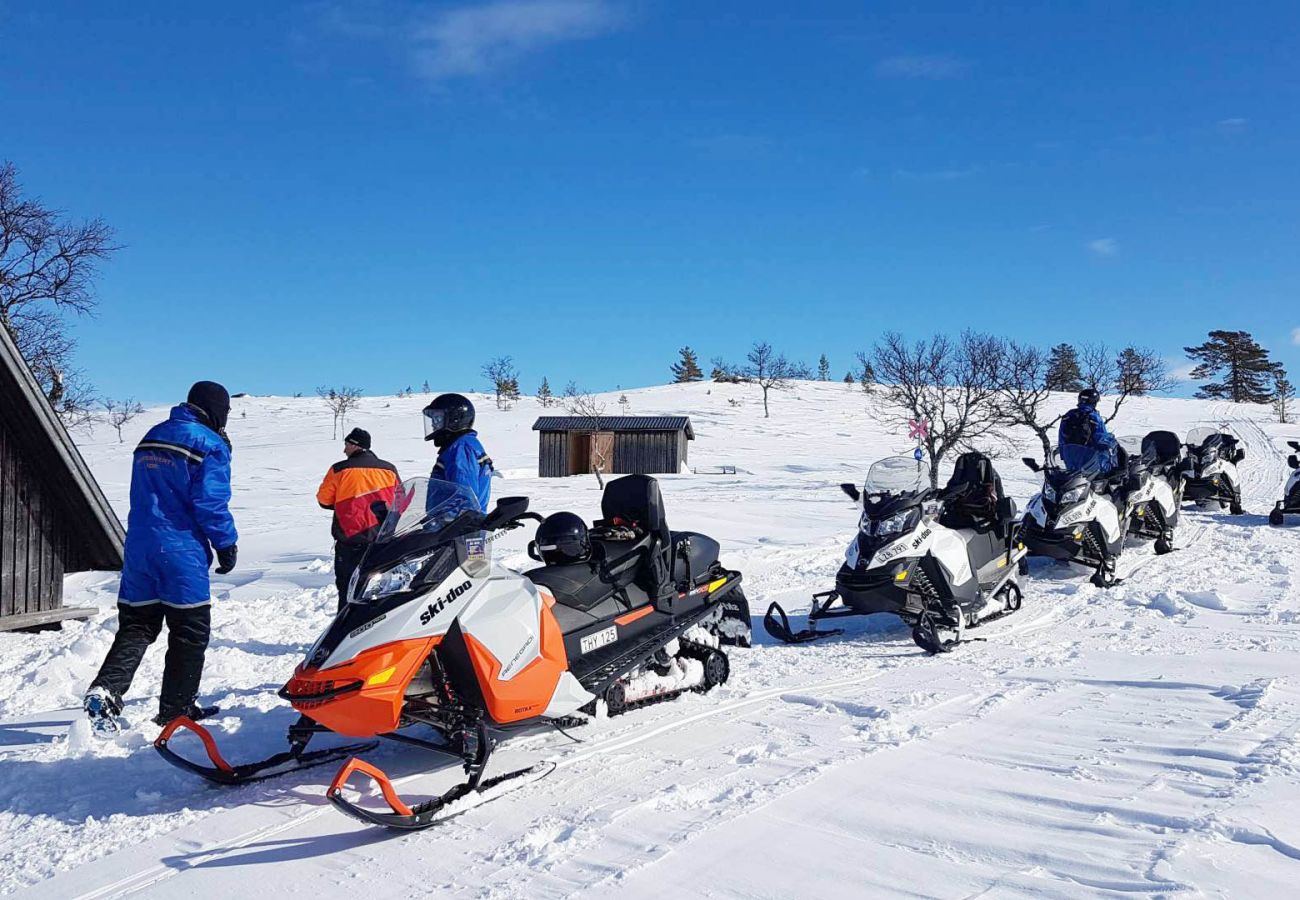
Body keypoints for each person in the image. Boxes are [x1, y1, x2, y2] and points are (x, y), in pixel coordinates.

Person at [83, 381, 238, 732]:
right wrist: (226, 544)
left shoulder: (152, 435)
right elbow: (210, 502)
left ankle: (106, 690)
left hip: (139, 547)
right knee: (189, 632)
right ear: (215, 410)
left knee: (138, 624)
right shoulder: (209, 444)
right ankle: (176, 711)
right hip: (180, 550)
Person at [316, 427, 400, 609]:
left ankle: (344, 630)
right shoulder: (389, 469)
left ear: (355, 445)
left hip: (350, 540)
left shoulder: (339, 469)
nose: (344, 449)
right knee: (380, 590)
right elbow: (400, 501)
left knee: (347, 589)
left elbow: (323, 500)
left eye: (346, 444)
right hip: (382, 539)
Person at [423, 393, 494, 512]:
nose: (434, 424)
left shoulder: (461, 448)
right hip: (447, 525)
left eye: (438, 418)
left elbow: (464, 494)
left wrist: (455, 521)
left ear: (454, 419)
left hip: (455, 526)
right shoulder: (462, 444)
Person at [1058, 388, 1119, 473]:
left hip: (1070, 459)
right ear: (1094, 402)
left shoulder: (1068, 415)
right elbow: (1100, 438)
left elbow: (1061, 438)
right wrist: (1112, 441)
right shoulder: (1094, 417)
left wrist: (1064, 455)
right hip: (1090, 460)